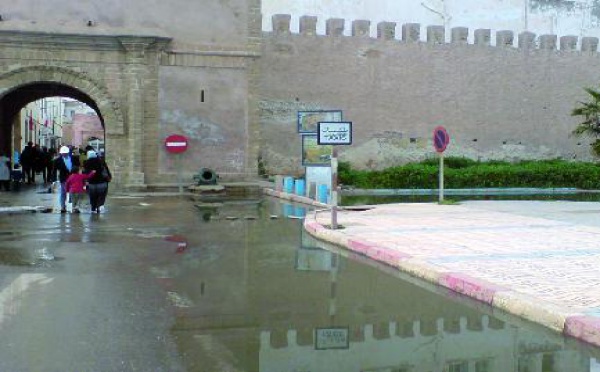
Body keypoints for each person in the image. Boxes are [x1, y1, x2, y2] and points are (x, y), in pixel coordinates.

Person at [52, 146, 80, 213]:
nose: (64, 154)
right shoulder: (57, 161)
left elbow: (78, 167)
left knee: (73, 193)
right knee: (63, 193)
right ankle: (63, 207)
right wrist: (54, 180)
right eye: (63, 153)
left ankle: (74, 207)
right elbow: (54, 170)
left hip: (73, 179)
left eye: (65, 153)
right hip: (63, 179)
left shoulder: (74, 159)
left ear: (68, 152)